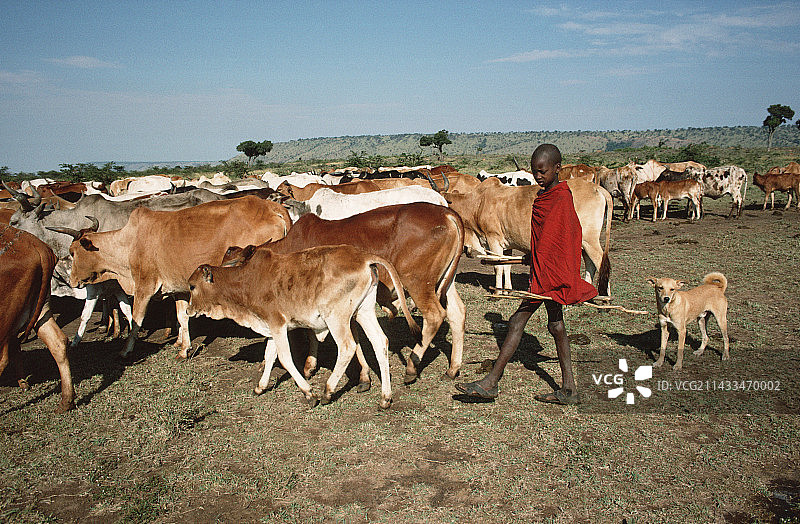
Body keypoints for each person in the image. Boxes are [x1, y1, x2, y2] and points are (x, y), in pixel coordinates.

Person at [456, 144, 597, 404]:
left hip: (551, 275)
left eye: (542, 171)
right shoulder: (546, 196)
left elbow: (566, 239)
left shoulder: (561, 198)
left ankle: (490, 383)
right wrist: (532, 256)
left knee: (517, 322)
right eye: (534, 172)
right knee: (556, 325)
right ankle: (569, 389)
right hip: (544, 269)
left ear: (557, 169)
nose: (538, 177)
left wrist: (543, 261)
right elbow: (545, 238)